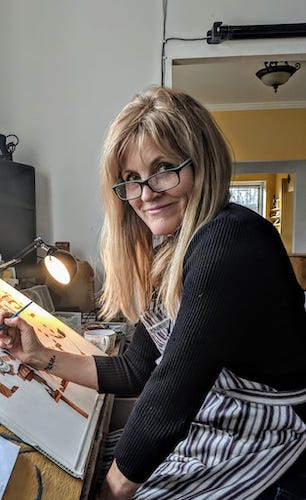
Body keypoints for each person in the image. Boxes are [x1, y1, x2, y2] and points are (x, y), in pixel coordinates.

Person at [1, 86, 306, 500]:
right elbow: (135, 371)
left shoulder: (229, 240)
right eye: (130, 179)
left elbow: (168, 402)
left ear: (201, 163)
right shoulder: (170, 254)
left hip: (277, 451)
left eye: (162, 168)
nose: (145, 193)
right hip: (220, 433)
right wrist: (40, 356)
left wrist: (109, 493)